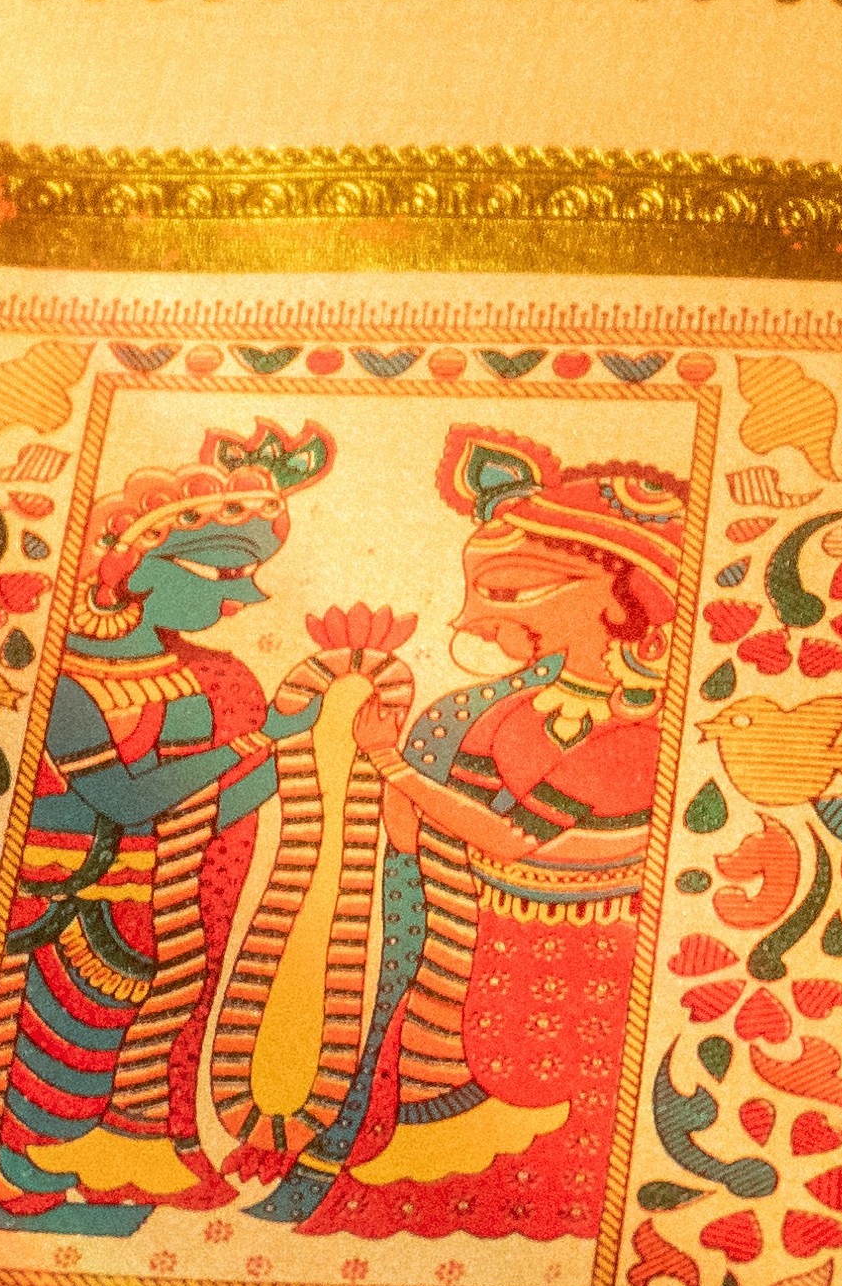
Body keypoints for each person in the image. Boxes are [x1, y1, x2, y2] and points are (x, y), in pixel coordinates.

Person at [233, 425, 694, 1242]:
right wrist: (352, 758)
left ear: (623, 597)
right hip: (456, 946)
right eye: (476, 594)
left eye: (508, 591)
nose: (472, 620)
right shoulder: (494, 710)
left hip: (565, 965)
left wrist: (391, 766)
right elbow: (416, 833)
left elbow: (509, 842)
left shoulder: (635, 734)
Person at [0, 421, 339, 1233]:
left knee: (86, 1054)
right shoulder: (67, 675)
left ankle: (42, 1165)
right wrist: (259, 743)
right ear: (130, 567)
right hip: (44, 895)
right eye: (224, 572)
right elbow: (126, 802)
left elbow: (197, 810)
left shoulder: (187, 675)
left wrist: (313, 758)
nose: (246, 597)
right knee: (13, 1040)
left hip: (132, 906)